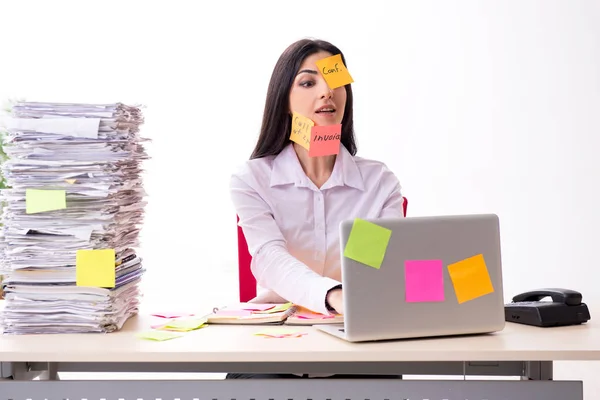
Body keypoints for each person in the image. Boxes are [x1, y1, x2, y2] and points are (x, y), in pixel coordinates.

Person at [227, 38, 404, 379]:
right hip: (273, 340)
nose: (327, 92)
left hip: (357, 339)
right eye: (308, 82)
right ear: (284, 101)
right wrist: (332, 294)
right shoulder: (252, 179)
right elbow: (269, 258)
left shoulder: (378, 182)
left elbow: (370, 266)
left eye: (335, 80)